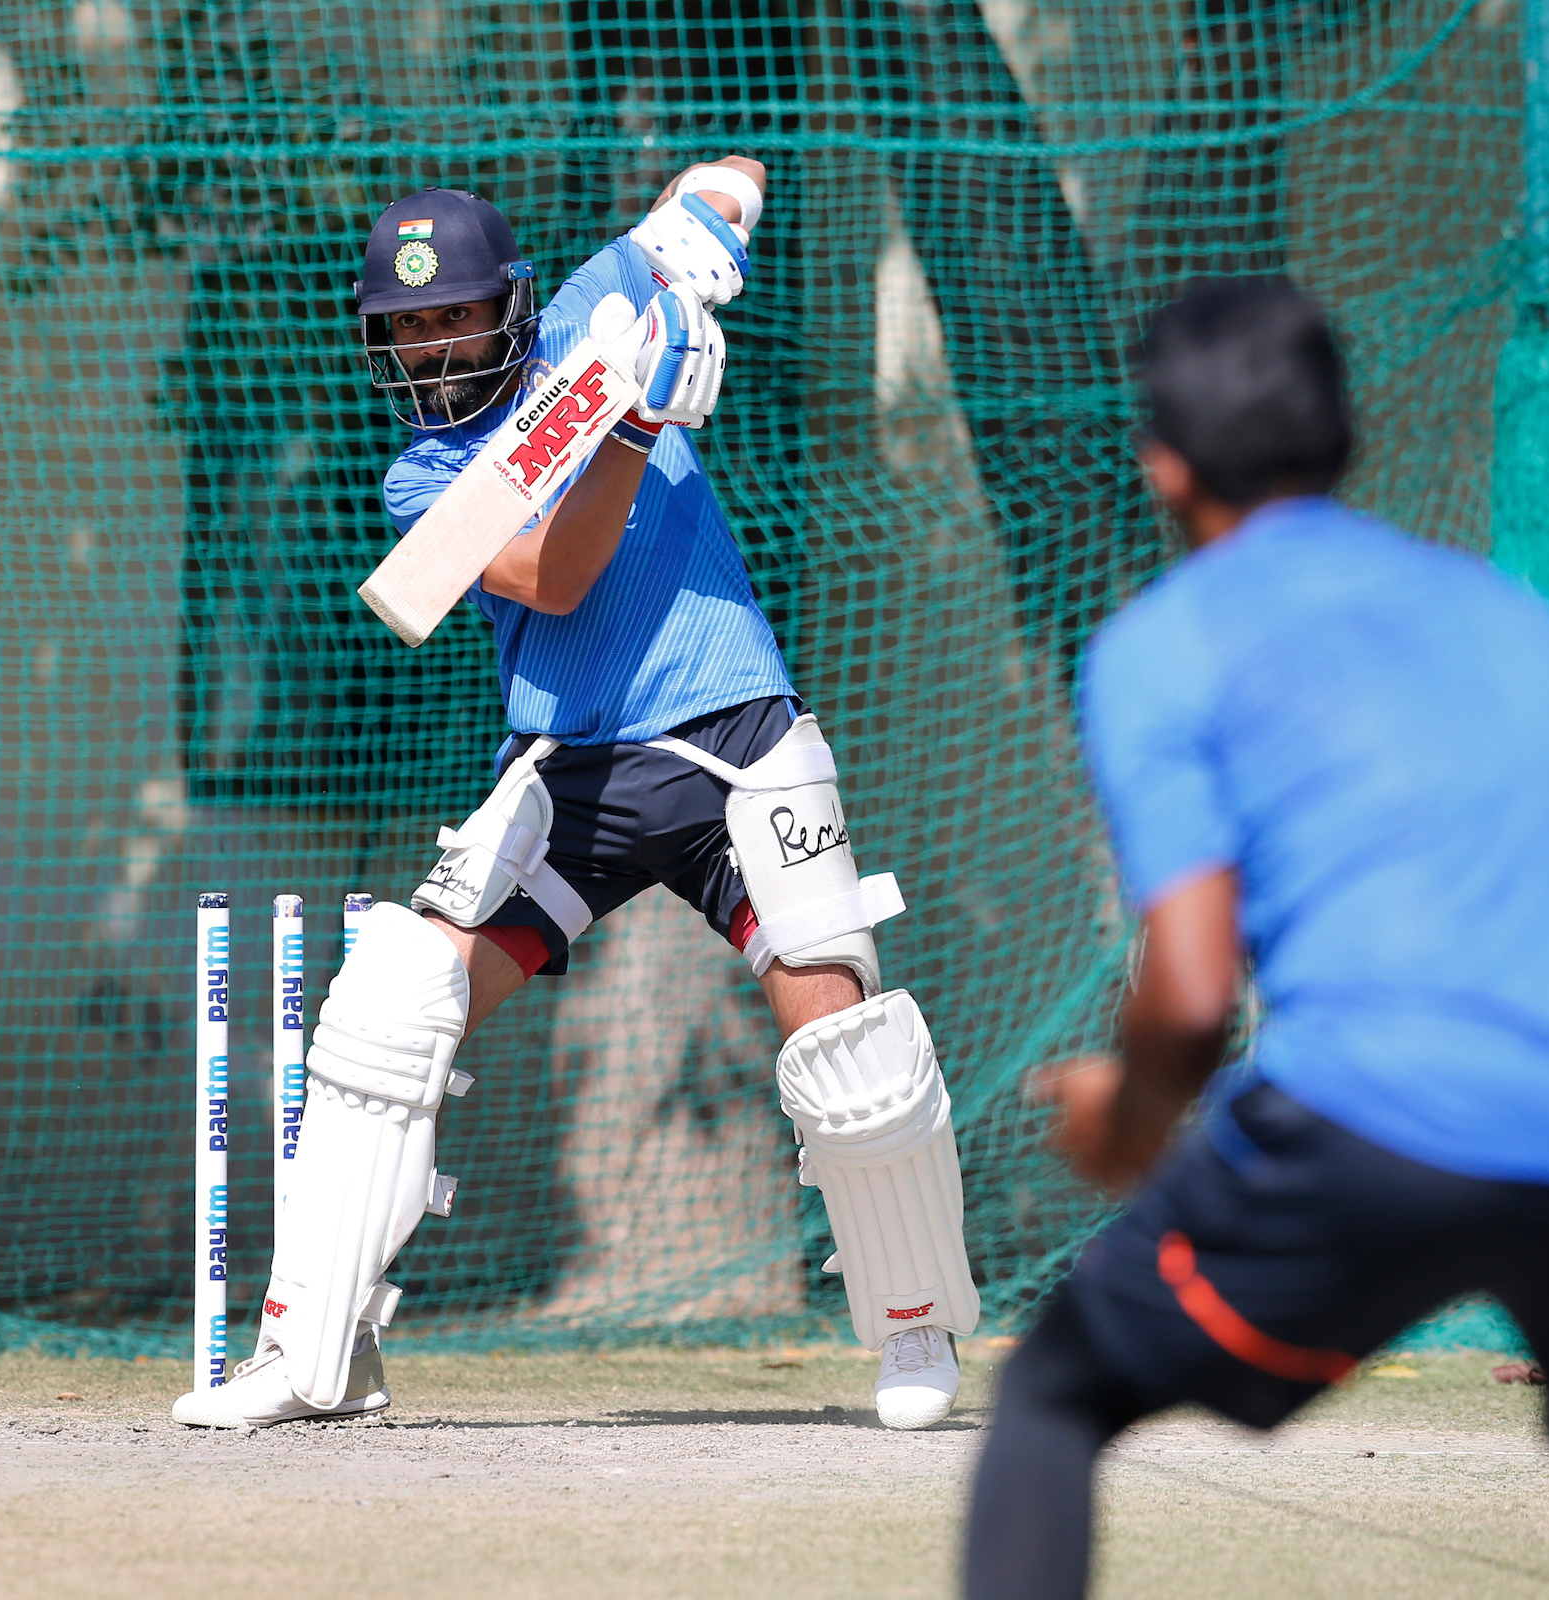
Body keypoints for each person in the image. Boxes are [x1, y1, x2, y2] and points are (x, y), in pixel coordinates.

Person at [173, 166, 983, 1430]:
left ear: (512, 303)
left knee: (844, 1034)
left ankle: (913, 1327)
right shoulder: (422, 477)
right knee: (392, 1002)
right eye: (406, 323)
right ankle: (313, 1355)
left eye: (451, 316)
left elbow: (732, 182)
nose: (430, 343)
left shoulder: (607, 302)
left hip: (734, 731)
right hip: (577, 769)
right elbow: (554, 577)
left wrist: (699, 246)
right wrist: (635, 426)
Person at [961, 275, 1549, 1597]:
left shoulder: (1159, 644)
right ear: (1343, 434)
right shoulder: (1517, 623)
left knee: (1058, 1391)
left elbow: (1191, 992)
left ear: (1165, 465)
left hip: (1377, 1127)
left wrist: (1129, 1122)